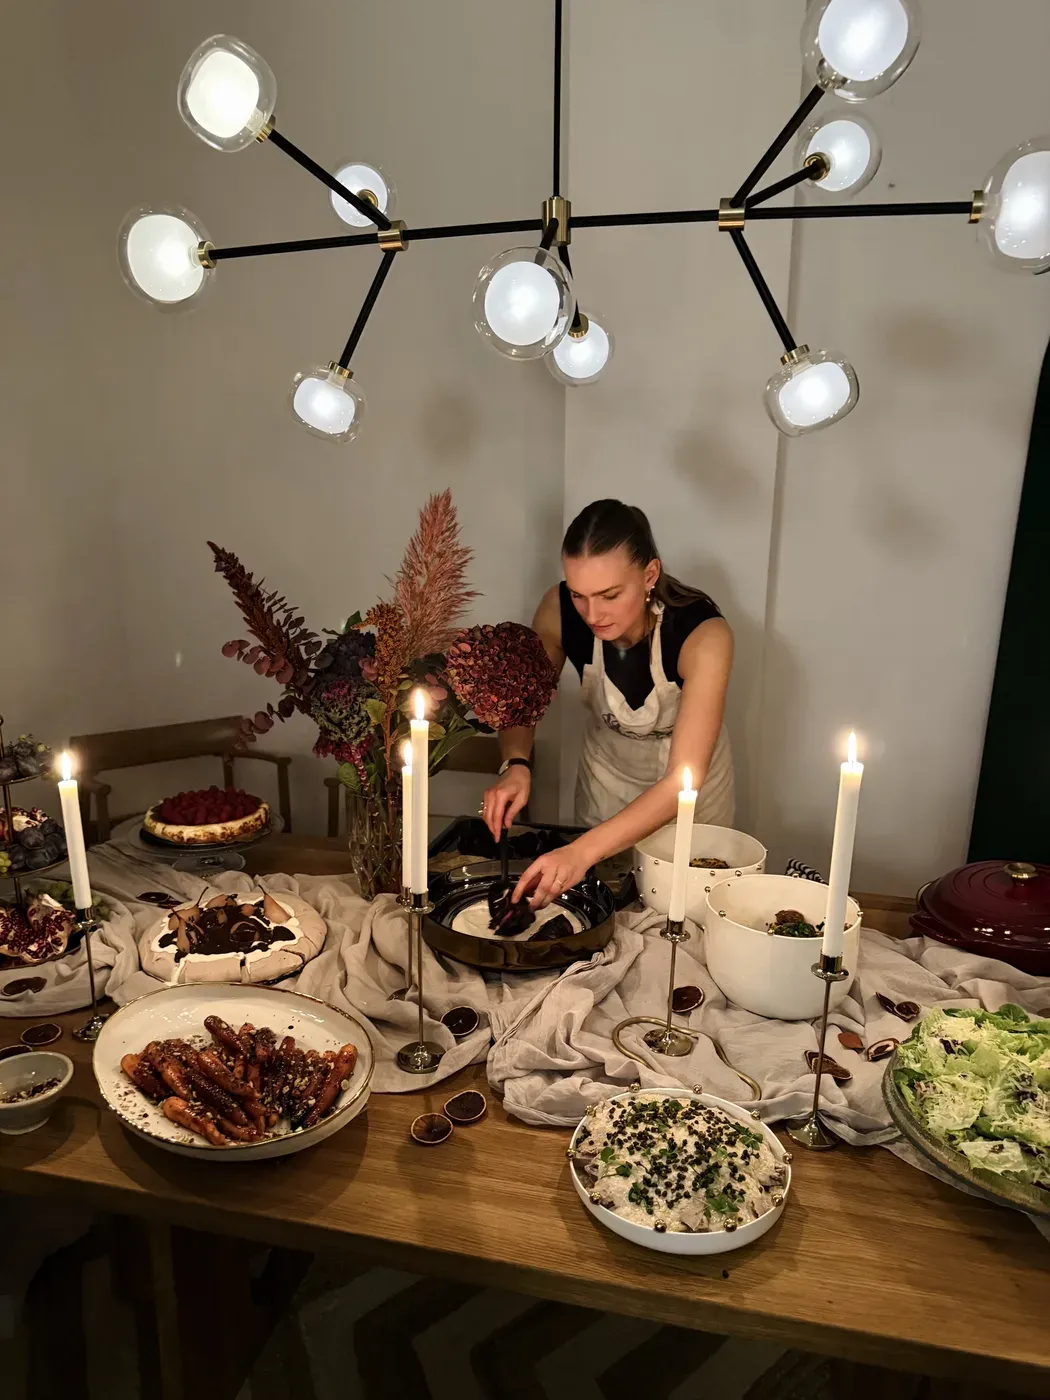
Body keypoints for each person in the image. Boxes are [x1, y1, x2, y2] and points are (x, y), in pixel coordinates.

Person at [481, 499, 734, 909]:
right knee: (606, 909)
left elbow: (680, 782)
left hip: (689, 797)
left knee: (682, 919)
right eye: (579, 595)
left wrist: (580, 851)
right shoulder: (558, 610)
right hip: (606, 781)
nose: (592, 614)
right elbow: (521, 701)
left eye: (609, 595)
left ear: (650, 574)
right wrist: (515, 763)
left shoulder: (703, 636)